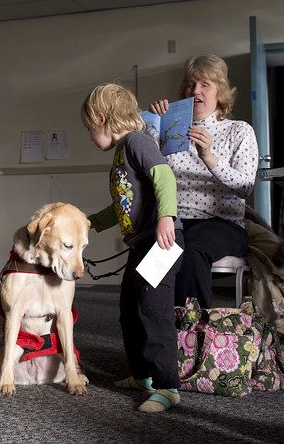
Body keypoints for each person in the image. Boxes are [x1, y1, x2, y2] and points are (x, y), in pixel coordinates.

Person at [81, 83, 182, 413]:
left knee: (154, 312)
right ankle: (142, 376)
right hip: (142, 246)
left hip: (162, 242)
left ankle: (168, 386)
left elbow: (164, 176)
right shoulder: (121, 152)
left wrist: (166, 217)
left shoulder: (138, 142)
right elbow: (121, 204)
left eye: (89, 128)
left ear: (102, 118)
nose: (90, 136)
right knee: (129, 310)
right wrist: (90, 221)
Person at [150, 54, 259, 308]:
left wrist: (210, 157)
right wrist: (154, 125)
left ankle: (193, 334)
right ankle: (158, 336)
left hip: (223, 224)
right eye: (190, 84)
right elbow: (150, 170)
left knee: (190, 250)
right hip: (176, 221)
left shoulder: (239, 130)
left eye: (204, 84)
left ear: (220, 91)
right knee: (148, 262)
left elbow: (245, 187)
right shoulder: (173, 129)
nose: (195, 90)